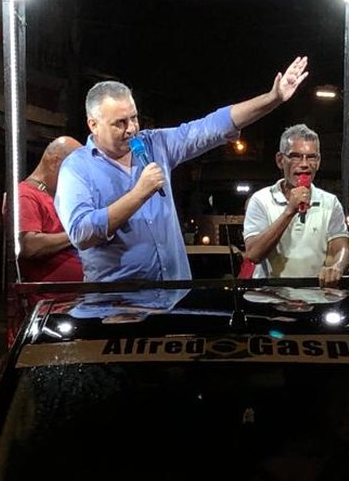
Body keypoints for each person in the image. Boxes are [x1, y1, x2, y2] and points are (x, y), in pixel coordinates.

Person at [55, 56, 309, 305]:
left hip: (175, 299)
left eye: (134, 117)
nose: (132, 128)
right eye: (119, 123)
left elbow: (213, 127)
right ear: (93, 124)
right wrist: (138, 194)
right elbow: (81, 233)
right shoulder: (77, 168)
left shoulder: (154, 144)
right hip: (117, 307)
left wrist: (273, 98)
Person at [242, 124, 349, 287]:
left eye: (311, 157)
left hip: (313, 298)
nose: (304, 164)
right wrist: (289, 211)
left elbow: (342, 248)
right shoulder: (260, 200)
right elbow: (253, 254)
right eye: (296, 156)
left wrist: (336, 267)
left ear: (318, 161)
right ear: (280, 160)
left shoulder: (330, 202)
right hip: (271, 299)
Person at [17, 136, 85, 283]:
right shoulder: (25, 194)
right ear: (55, 162)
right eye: (74, 169)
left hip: (81, 295)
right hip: (53, 300)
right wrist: (80, 233)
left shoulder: (58, 195)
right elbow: (29, 246)